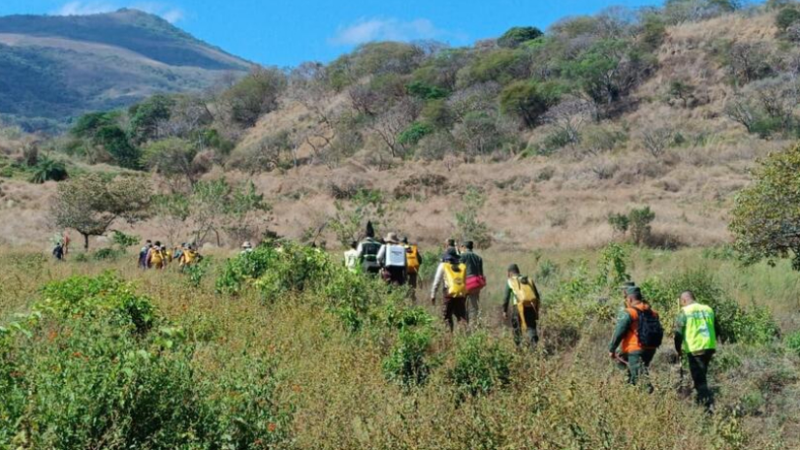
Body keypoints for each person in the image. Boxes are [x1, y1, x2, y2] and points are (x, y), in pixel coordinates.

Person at [608, 286, 663, 386]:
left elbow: (619, 331)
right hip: (651, 349)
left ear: (629, 299)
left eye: (626, 299)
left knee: (641, 379)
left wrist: (612, 349)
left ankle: (649, 396)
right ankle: (629, 396)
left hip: (634, 350)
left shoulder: (629, 313)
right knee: (631, 377)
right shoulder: (653, 313)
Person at [675, 290, 717, 411]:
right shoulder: (708, 309)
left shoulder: (685, 312)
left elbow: (678, 333)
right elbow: (716, 328)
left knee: (699, 379)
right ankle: (701, 402)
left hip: (695, 349)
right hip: (709, 347)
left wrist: (677, 349)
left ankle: (707, 408)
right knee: (701, 375)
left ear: (683, 300)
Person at [430, 248, 469, 332]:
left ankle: (449, 334)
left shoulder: (443, 265)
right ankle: (465, 335)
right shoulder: (462, 266)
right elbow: (464, 281)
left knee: (446, 316)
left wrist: (433, 294)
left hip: (448, 294)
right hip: (460, 294)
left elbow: (437, 281)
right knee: (461, 316)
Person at [503, 264, 540, 349]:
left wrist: (504, 311)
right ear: (518, 271)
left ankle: (518, 348)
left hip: (517, 307)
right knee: (531, 327)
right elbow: (537, 296)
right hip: (530, 306)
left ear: (509, 273)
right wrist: (536, 310)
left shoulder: (510, 281)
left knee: (517, 328)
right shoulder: (529, 280)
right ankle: (534, 346)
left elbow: (506, 298)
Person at [460, 241, 486, 326]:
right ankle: (473, 326)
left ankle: (464, 325)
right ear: (472, 247)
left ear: (464, 247)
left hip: (464, 283)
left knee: (462, 305)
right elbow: (481, 274)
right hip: (475, 284)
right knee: (473, 307)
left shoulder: (462, 256)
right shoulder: (479, 258)